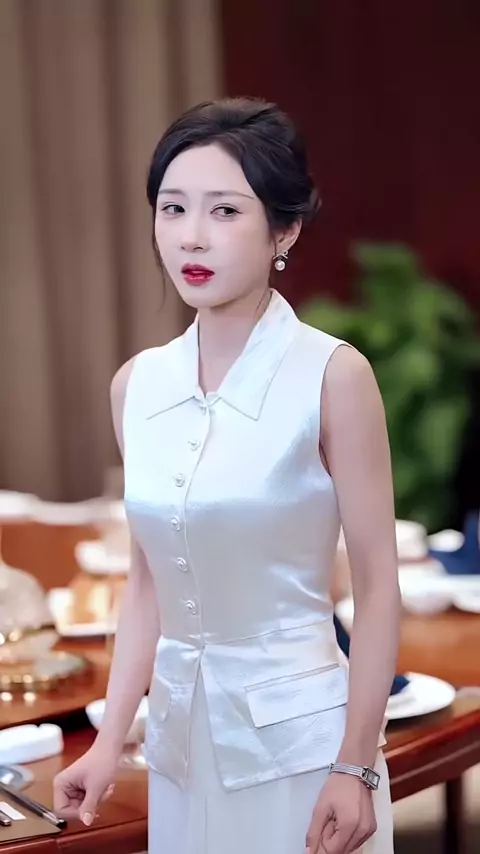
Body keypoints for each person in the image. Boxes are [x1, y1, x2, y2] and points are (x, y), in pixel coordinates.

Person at [54, 97, 401, 853]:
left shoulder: (333, 376)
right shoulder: (136, 386)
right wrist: (109, 741)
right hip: (181, 752)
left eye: (224, 210)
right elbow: (146, 585)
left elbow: (378, 588)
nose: (192, 235)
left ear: (285, 230)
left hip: (305, 754)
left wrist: (356, 765)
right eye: (173, 207)